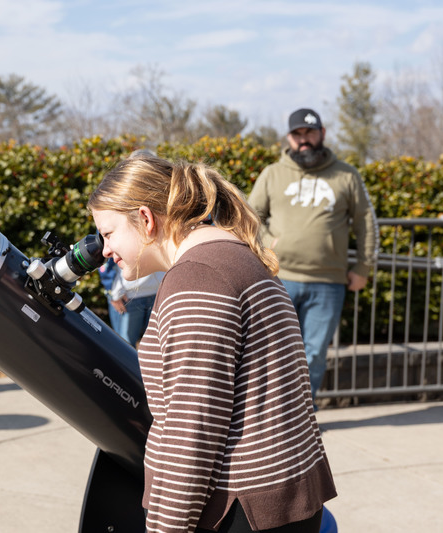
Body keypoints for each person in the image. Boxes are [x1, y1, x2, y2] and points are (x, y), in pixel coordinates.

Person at [88, 155, 336, 532]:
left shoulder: (197, 278)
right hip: (282, 500)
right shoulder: (235, 256)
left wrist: (165, 528)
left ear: (146, 218)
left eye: (108, 233)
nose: (105, 250)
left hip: (241, 510)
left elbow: (193, 430)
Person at [248, 108, 378, 400]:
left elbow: (366, 223)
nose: (304, 140)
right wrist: (269, 243)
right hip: (278, 278)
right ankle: (271, 417)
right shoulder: (272, 174)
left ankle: (304, 416)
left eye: (310, 133)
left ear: (323, 133)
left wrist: (364, 267)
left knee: (314, 354)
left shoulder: (347, 175)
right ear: (289, 138)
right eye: (298, 134)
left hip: (328, 282)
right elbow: (248, 217)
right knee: (271, 351)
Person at [98, 148, 164, 348]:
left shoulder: (163, 204)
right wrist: (113, 291)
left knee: (154, 350)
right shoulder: (115, 205)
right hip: (129, 294)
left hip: (158, 292)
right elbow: (106, 250)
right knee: (125, 350)